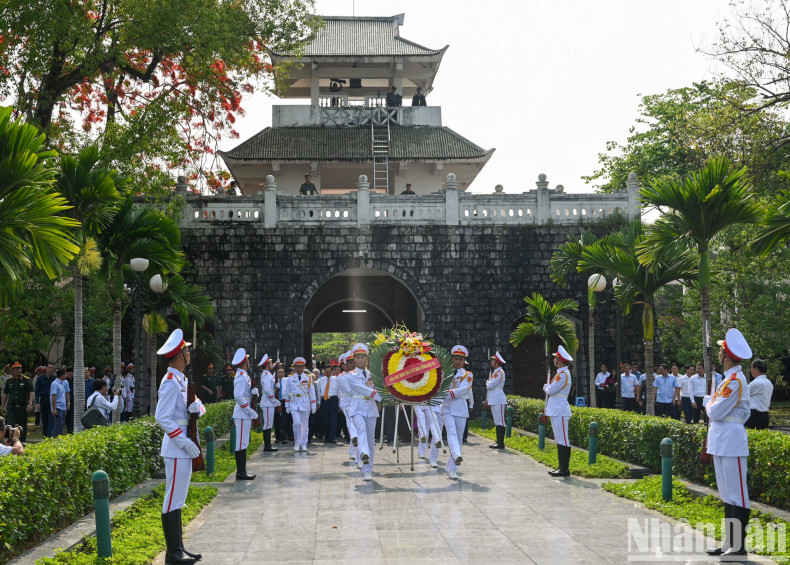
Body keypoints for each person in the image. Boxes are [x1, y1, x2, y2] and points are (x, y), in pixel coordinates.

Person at [154, 328, 205, 565]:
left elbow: (198, 406)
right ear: (179, 355)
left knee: (179, 498)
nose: (189, 353)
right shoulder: (170, 382)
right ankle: (173, 555)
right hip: (177, 448)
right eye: (187, 350)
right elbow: (162, 418)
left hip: (185, 446)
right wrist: (184, 442)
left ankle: (179, 548)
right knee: (172, 499)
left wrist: (197, 409)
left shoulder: (182, 380)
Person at [704, 328, 752, 558]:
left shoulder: (736, 382)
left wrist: (708, 407)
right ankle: (729, 543)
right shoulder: (728, 380)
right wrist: (710, 407)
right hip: (721, 441)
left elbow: (715, 410)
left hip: (732, 441)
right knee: (727, 495)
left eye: (721, 351)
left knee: (738, 495)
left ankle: (739, 547)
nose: (719, 355)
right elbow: (715, 409)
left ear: (727, 355)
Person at [345, 344, 381, 481]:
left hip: (371, 408)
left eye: (363, 357)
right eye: (358, 357)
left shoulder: (374, 375)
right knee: (361, 431)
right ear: (354, 359)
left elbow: (380, 388)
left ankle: (368, 469)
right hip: (357, 407)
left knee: (371, 440)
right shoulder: (351, 376)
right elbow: (362, 389)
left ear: (367, 358)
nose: (360, 360)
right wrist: (379, 397)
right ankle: (363, 453)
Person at [442, 345, 473, 480]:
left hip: (460, 408)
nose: (458, 361)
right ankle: (456, 455)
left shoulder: (468, 375)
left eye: (460, 359)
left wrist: (444, 394)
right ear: (452, 359)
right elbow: (439, 387)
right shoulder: (445, 373)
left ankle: (452, 468)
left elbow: (462, 390)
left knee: (458, 439)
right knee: (451, 432)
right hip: (447, 407)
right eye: (455, 359)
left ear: (464, 360)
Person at [543, 345, 573, 477]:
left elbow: (550, 390)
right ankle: (561, 467)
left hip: (560, 409)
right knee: (559, 439)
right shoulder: (560, 374)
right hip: (555, 409)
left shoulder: (563, 375)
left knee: (563, 440)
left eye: (556, 358)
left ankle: (565, 468)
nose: (554, 360)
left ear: (559, 360)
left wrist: (546, 386)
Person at [231, 348, 257, 480]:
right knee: (241, 442)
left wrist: (253, 392)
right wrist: (249, 410)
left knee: (244, 442)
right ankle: (241, 472)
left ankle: (242, 471)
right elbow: (238, 396)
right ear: (245, 362)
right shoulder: (241, 377)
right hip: (242, 413)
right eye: (248, 360)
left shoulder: (244, 375)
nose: (249, 362)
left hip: (243, 412)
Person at [282, 357, 316, 453]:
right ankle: (297, 442)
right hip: (294, 402)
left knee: (305, 425)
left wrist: (313, 404)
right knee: (296, 423)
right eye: (297, 367)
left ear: (304, 367)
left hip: (305, 403)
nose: (299, 369)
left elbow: (312, 392)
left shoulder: (308, 378)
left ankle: (303, 444)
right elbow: (287, 392)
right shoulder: (290, 379)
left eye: (301, 367)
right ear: (295, 368)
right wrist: (287, 405)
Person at [1, 361, 34, 442]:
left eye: (20, 368)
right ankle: (10, 441)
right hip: (11, 407)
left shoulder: (26, 380)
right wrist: (3, 406)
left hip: (22, 407)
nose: (19, 370)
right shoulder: (9, 381)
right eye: (16, 369)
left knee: (22, 426)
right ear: (12, 370)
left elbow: (31, 392)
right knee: (9, 426)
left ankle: (22, 442)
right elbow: (5, 394)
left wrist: (30, 403)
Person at [256, 354, 280, 451]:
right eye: (270, 363)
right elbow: (267, 389)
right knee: (267, 424)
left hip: (269, 402)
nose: (271, 364)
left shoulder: (268, 374)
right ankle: (267, 446)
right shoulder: (266, 375)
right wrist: (273, 399)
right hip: (267, 402)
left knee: (269, 424)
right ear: (267, 364)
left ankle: (268, 445)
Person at [486, 351, 507, 449]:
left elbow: (489, 385)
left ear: (497, 362)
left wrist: (487, 382)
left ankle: (501, 443)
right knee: (497, 420)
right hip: (494, 398)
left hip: (498, 398)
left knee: (500, 421)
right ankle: (498, 441)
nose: (491, 362)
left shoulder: (500, 372)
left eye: (493, 360)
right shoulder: (496, 372)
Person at [746, 358, 773, 430]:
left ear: (756, 369)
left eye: (751, 367)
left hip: (754, 416)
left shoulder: (756, 383)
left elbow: (742, 394)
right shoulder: (769, 383)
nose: (750, 370)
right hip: (765, 416)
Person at [317, 360, 339, 443]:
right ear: (324, 372)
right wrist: (318, 402)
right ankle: (326, 437)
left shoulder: (336, 380)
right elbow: (319, 392)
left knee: (333, 419)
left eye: (330, 371)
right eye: (327, 372)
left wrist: (340, 404)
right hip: (324, 400)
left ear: (332, 371)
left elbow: (339, 391)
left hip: (333, 400)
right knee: (325, 419)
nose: (328, 373)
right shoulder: (321, 380)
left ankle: (332, 437)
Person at [35, 362, 56, 438]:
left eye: (52, 368)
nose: (51, 369)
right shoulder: (40, 379)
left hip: (52, 402)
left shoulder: (54, 379)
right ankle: (45, 437)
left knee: (51, 421)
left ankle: (49, 437)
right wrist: (37, 403)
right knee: (44, 421)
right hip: (43, 401)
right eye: (49, 368)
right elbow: (37, 391)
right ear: (46, 368)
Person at [49, 368, 70, 437]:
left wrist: (68, 403)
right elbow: (53, 396)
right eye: (65, 374)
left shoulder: (65, 382)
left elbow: (67, 393)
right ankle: (53, 438)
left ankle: (58, 437)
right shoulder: (55, 384)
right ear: (62, 375)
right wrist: (54, 409)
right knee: (59, 423)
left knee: (62, 424)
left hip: (63, 406)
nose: (66, 375)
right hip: (58, 406)